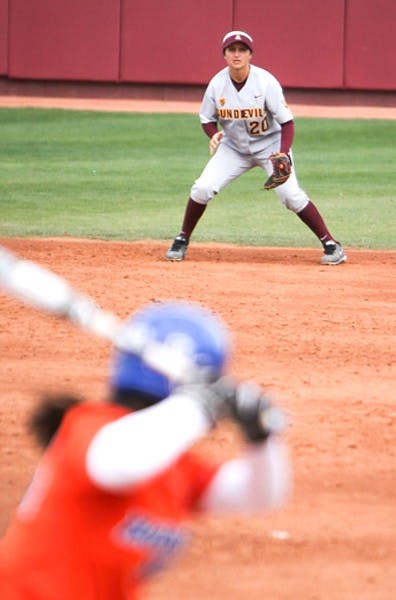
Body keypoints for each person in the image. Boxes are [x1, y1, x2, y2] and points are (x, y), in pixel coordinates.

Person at [0, 300, 291, 600]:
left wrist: (261, 439)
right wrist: (199, 404)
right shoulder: (90, 427)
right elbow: (119, 465)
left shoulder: (173, 464)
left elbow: (260, 494)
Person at [166, 30, 347, 265]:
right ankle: (182, 239)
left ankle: (331, 244)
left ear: (250, 54)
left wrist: (282, 152)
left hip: (270, 145)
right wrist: (213, 134)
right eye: (232, 50)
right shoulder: (217, 84)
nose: (237, 54)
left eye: (242, 50)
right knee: (202, 187)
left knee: (290, 196)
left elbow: (287, 123)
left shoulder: (266, 82)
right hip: (233, 148)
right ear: (224, 55)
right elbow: (207, 119)